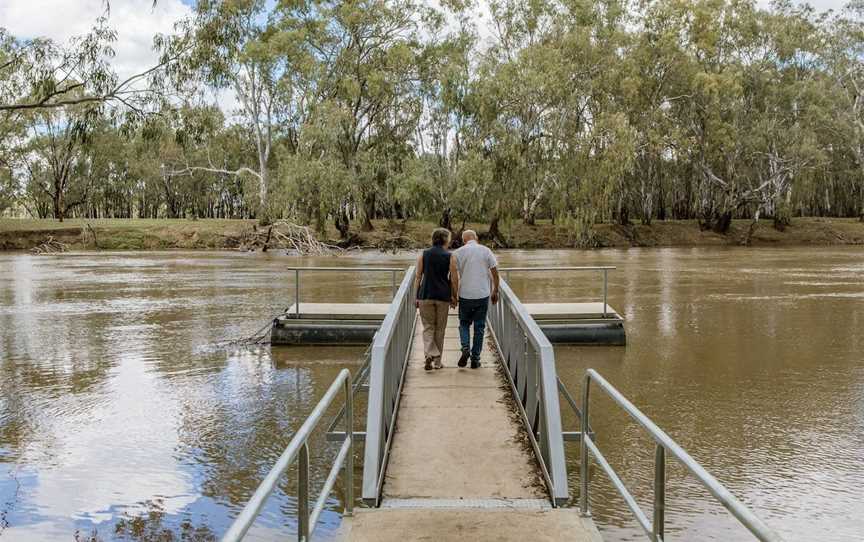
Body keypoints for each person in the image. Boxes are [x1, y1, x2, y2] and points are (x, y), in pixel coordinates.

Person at [453, 230, 499, 369]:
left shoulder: (458, 252)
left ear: (463, 240)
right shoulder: (486, 251)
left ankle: (465, 348)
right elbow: (495, 272)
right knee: (479, 327)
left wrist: (454, 295)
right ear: (476, 238)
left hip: (465, 294)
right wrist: (495, 290)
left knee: (464, 324)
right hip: (482, 294)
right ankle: (475, 359)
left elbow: (454, 276)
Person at [414, 228, 459, 371]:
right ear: (446, 239)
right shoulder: (450, 256)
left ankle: (429, 354)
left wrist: (416, 296)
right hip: (443, 296)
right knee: (440, 329)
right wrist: (454, 296)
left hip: (425, 295)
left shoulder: (424, 254)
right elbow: (454, 278)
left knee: (428, 327)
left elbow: (418, 277)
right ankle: (437, 362)